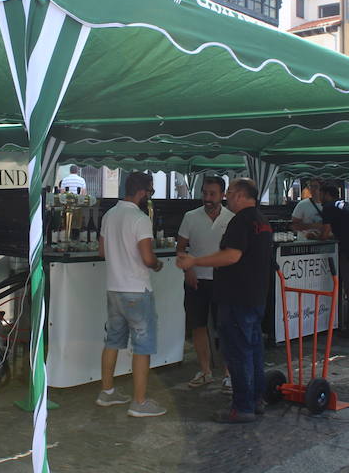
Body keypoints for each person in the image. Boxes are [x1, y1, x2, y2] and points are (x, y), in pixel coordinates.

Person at [177, 178, 273, 424]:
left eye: (229, 192)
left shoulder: (240, 220)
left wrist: (195, 262)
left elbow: (231, 255)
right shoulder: (261, 221)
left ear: (241, 195)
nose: (227, 197)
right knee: (253, 350)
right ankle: (256, 399)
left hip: (237, 296)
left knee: (239, 352)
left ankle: (242, 406)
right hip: (255, 295)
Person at [97, 172, 166, 417]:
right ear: (143, 191)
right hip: (137, 290)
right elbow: (148, 258)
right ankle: (139, 402)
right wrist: (158, 264)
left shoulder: (110, 214)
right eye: (150, 191)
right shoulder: (140, 219)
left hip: (113, 288)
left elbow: (102, 251)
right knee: (142, 346)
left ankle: (107, 392)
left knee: (112, 341)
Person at [176, 176, 234, 392]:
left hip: (224, 281)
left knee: (226, 328)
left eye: (212, 194)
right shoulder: (190, 217)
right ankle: (205, 371)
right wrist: (188, 268)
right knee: (198, 326)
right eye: (205, 193)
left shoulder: (231, 218)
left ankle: (229, 374)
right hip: (196, 280)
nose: (208, 198)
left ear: (222, 195)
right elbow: (181, 248)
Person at [318, 183, 349, 341]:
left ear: (326, 194)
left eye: (320, 193)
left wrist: (316, 236)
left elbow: (325, 233)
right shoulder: (347, 205)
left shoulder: (328, 207)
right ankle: (346, 323)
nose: (318, 197)